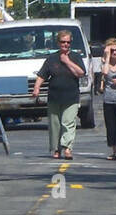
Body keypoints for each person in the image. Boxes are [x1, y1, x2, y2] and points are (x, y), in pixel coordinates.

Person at [32, 31, 85, 160]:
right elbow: (42, 75)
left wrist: (67, 61)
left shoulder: (76, 57)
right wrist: (36, 88)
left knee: (68, 123)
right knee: (55, 125)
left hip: (71, 97)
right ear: (58, 43)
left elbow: (81, 73)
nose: (65, 44)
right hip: (54, 97)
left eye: (68, 42)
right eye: (63, 42)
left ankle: (67, 148)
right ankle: (56, 149)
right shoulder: (51, 58)